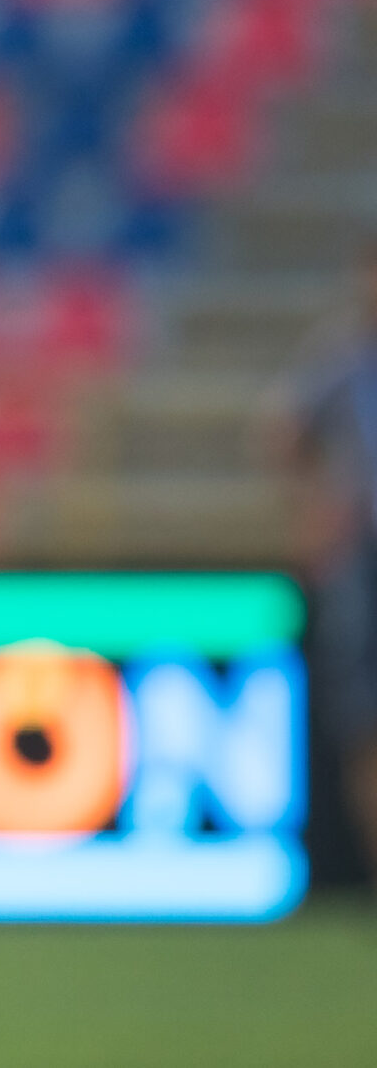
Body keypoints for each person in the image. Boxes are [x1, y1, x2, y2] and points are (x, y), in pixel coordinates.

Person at [277, 237, 377, 869]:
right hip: (364, 553)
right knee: (364, 716)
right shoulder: (341, 362)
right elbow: (283, 433)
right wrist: (316, 509)